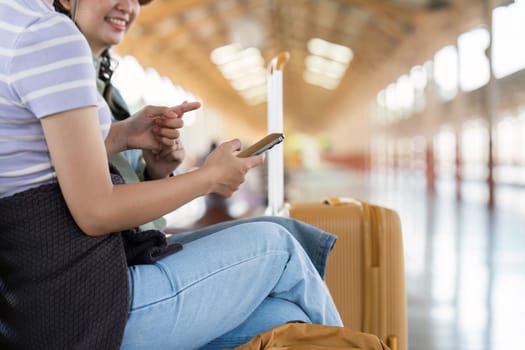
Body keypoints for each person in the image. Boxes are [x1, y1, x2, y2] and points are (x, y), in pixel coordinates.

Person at [0, 1, 343, 350]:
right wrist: (207, 178)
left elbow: (37, 162)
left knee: (282, 318)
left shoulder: (12, 21)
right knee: (281, 246)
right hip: (88, 307)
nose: (126, 5)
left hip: (38, 305)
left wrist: (122, 135)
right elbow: (95, 211)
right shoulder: (51, 34)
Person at [54, 0, 196, 231]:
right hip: (113, 252)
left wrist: (154, 170)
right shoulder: (56, 78)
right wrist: (209, 178)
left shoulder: (113, 93)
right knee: (273, 240)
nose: (128, 7)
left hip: (138, 242)